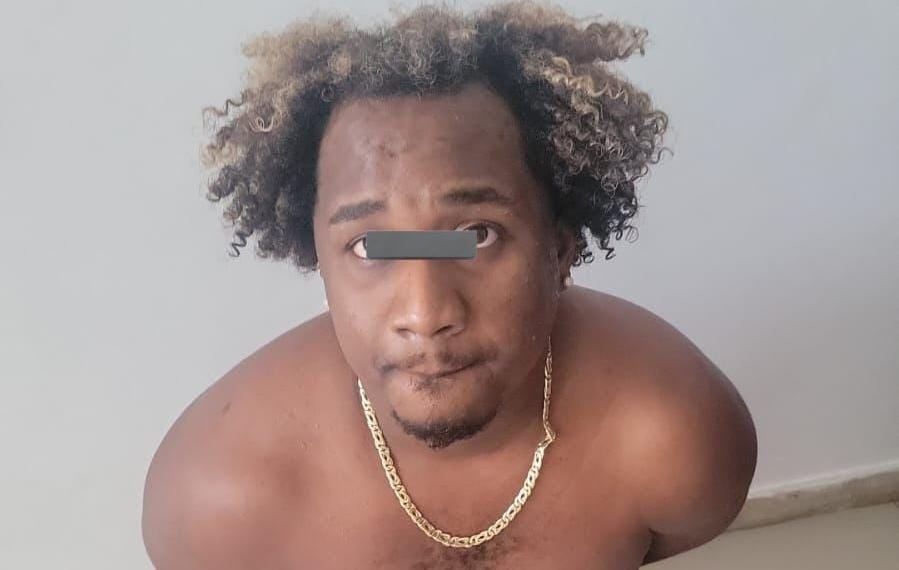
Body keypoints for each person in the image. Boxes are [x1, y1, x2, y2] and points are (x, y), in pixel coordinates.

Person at [141, 2, 757, 568]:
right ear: (319, 262)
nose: (425, 312)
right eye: (369, 246)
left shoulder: (676, 439)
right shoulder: (217, 499)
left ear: (560, 250)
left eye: (477, 235)